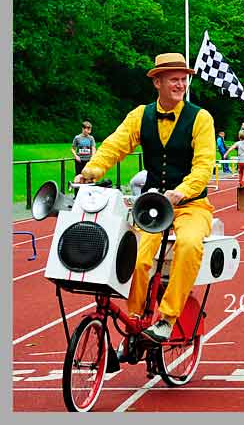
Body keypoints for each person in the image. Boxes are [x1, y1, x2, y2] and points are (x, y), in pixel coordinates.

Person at [74, 53, 215, 343]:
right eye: (174, 79)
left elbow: (204, 165)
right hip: (152, 205)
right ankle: (135, 321)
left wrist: (183, 190)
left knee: (189, 245)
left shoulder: (201, 118)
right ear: (157, 82)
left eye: (183, 79)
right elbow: (114, 145)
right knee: (136, 258)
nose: (180, 85)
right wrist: (91, 171)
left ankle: (167, 318)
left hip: (191, 204)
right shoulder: (140, 115)